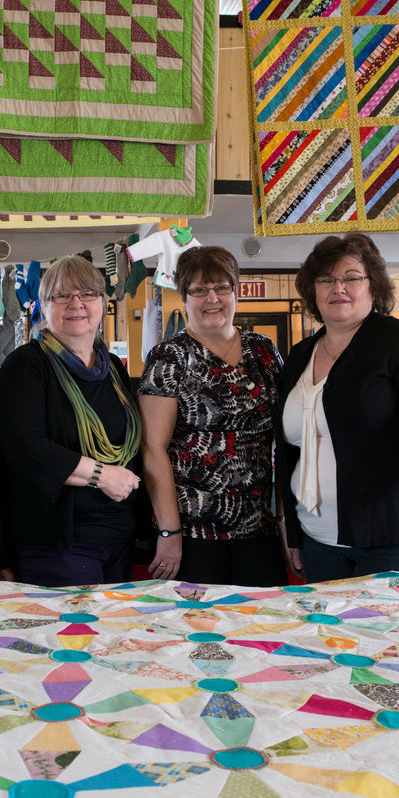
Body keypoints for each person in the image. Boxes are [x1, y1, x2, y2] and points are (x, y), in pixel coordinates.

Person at [274, 232, 399, 585]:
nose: (338, 288)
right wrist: (291, 528)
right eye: (326, 280)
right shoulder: (300, 356)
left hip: (396, 541)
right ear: (312, 291)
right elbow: (291, 451)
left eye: (351, 278)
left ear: (374, 286)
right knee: (329, 639)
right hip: (318, 542)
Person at [138, 245, 286, 587]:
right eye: (199, 290)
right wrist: (169, 530)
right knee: (196, 632)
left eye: (221, 287)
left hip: (258, 528)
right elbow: (152, 448)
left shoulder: (264, 351)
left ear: (236, 292)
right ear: (184, 297)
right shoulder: (169, 358)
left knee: (264, 630)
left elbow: (284, 439)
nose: (212, 298)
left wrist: (283, 522)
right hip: (193, 533)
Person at [0, 254, 142, 588]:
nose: (76, 304)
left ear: (102, 304)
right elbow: (24, 448)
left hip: (118, 534)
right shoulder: (27, 365)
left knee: (115, 638)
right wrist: (102, 476)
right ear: (43, 307)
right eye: (61, 296)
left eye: (87, 294)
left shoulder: (113, 368)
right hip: (58, 541)